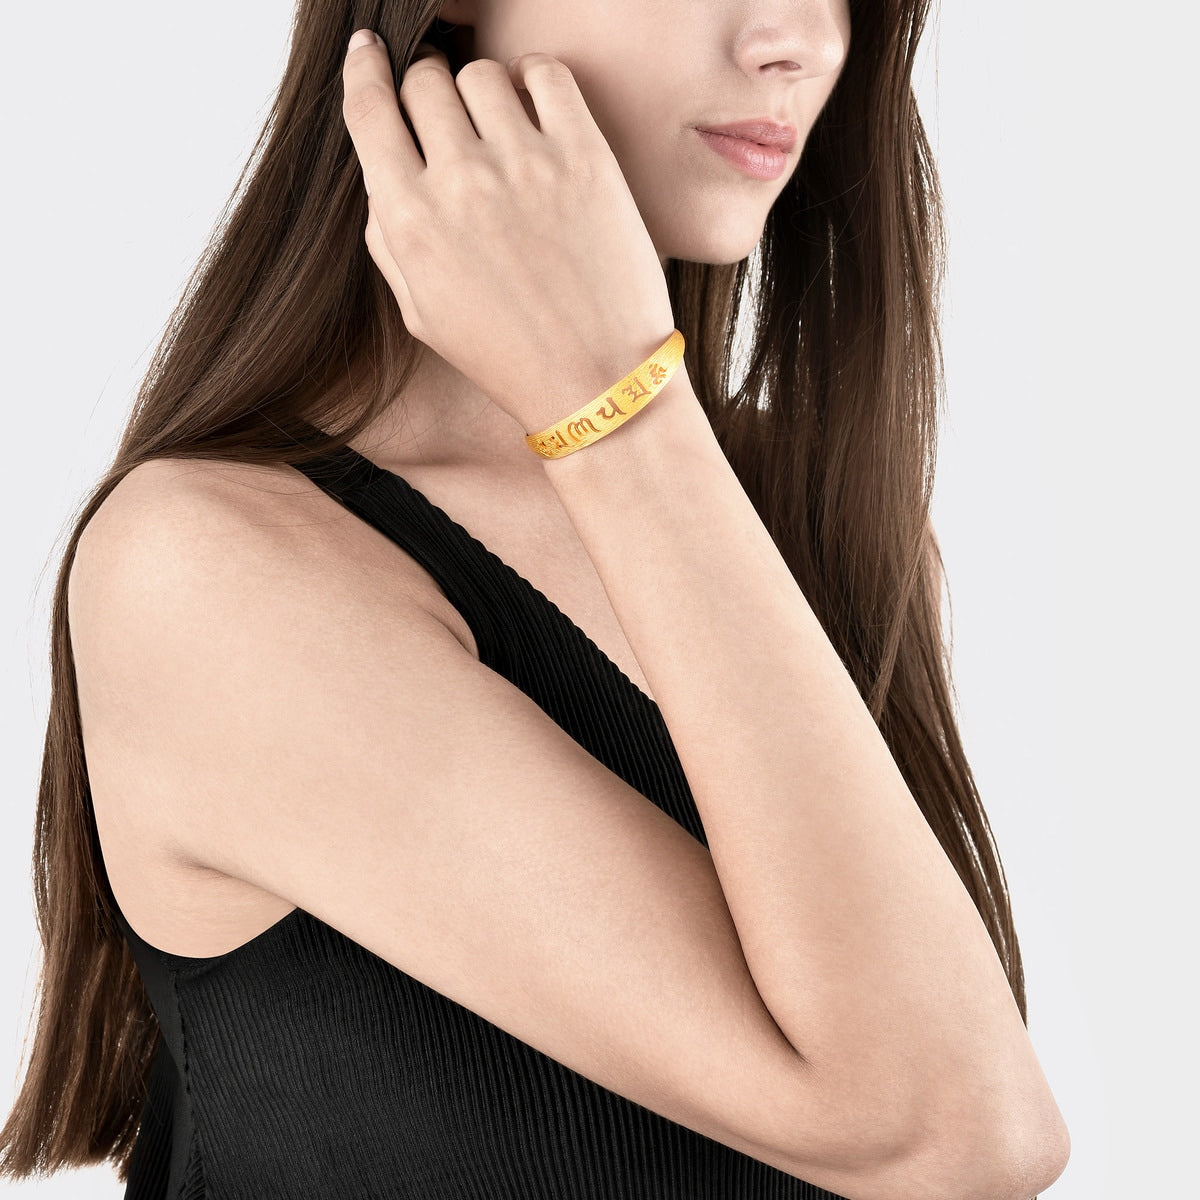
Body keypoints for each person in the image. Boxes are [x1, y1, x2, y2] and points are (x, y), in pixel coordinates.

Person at [0, 2, 1070, 1198]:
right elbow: (955, 1130)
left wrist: (622, 412)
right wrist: (613, 403)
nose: (801, 40)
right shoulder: (207, 573)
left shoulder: (808, 528)